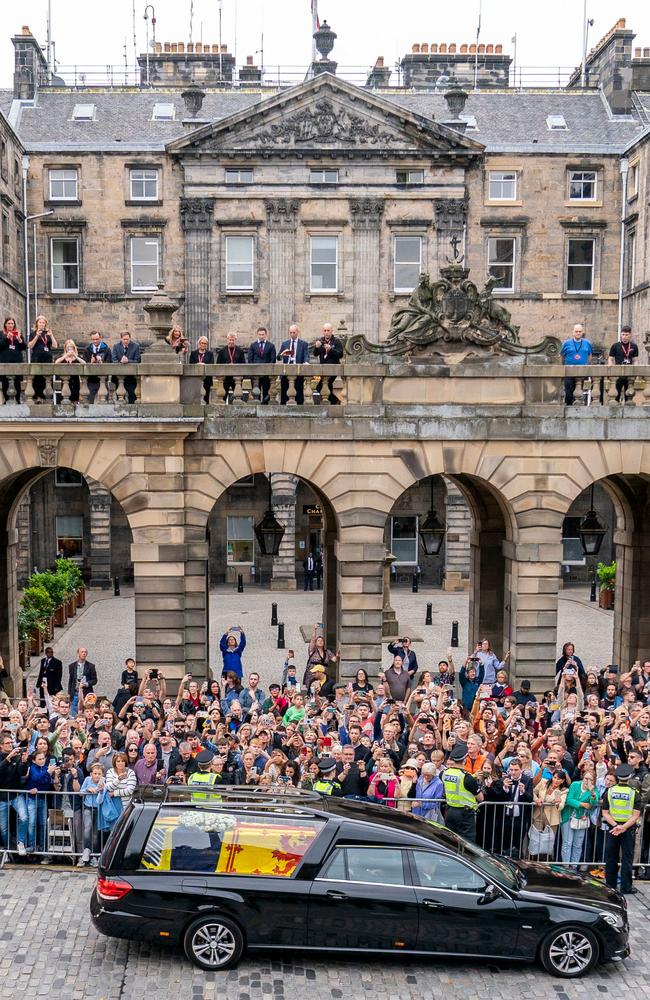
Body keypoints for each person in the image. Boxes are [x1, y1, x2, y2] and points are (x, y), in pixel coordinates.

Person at [601, 762, 641, 895]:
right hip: (627, 828)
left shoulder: (610, 791)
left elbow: (605, 813)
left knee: (611, 858)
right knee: (626, 859)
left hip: (613, 828)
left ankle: (610, 885)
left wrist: (616, 826)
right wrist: (623, 827)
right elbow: (636, 815)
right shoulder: (634, 793)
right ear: (629, 777)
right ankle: (626, 887)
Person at [441, 743, 482, 841]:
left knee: (451, 840)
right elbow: (480, 798)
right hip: (465, 814)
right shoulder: (466, 777)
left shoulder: (444, 773)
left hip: (449, 811)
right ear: (464, 760)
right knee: (468, 841)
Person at [560, 322, 593, 406]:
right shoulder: (566, 343)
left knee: (580, 392)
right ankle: (568, 407)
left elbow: (590, 355)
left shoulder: (587, 343)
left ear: (582, 332)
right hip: (569, 371)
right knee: (569, 391)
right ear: (573, 332)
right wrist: (564, 366)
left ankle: (578, 409)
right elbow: (562, 356)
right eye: (576, 331)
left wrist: (587, 365)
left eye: (580, 331)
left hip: (582, 371)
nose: (578, 333)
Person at [312, 322, 343, 403]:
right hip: (324, 369)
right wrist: (316, 347)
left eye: (328, 330)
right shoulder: (321, 341)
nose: (326, 332)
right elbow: (315, 354)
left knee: (320, 386)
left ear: (331, 331)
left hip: (333, 369)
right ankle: (334, 403)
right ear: (323, 331)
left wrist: (331, 350)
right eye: (325, 330)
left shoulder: (336, 341)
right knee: (327, 386)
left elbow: (340, 354)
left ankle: (335, 401)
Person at [28, 315, 57, 402]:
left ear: (45, 324)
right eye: (40, 322)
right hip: (37, 358)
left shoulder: (47, 334)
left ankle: (47, 397)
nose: (42, 324)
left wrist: (51, 335)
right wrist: (37, 336)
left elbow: (55, 346)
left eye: (43, 322)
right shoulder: (33, 333)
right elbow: (30, 346)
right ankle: (38, 397)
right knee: (37, 378)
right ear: (37, 324)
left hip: (47, 358)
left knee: (47, 377)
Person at [279, 324, 309, 405]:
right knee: (284, 390)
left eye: (294, 332)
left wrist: (306, 362)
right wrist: (282, 355)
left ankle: (299, 406)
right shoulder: (285, 343)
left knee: (299, 390)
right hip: (286, 369)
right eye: (291, 333)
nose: (292, 334)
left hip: (298, 369)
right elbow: (278, 357)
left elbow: (306, 355)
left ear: (297, 332)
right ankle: (283, 406)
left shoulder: (303, 344)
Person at [607, 325, 638, 403]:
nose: (624, 336)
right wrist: (611, 369)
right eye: (623, 334)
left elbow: (635, 360)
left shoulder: (634, 346)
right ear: (621, 334)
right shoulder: (615, 346)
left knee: (629, 398)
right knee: (615, 397)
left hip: (629, 375)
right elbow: (610, 359)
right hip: (618, 375)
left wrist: (636, 372)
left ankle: (628, 413)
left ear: (630, 335)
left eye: (626, 335)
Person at [0, 316, 26, 403]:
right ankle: (7, 400)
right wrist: (7, 337)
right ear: (5, 325)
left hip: (17, 361)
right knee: (5, 381)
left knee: (17, 382)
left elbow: (23, 347)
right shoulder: (1, 334)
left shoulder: (18, 334)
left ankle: (18, 399)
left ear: (14, 325)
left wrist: (19, 339)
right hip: (5, 361)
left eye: (12, 323)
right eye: (9, 323)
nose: (10, 325)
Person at [247, 325, 276, 403]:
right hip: (255, 374)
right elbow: (250, 359)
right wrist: (254, 370)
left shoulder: (271, 346)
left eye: (263, 334)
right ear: (257, 335)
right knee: (256, 394)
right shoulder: (253, 346)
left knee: (266, 393)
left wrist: (267, 370)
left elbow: (273, 359)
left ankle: (265, 409)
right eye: (260, 334)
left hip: (266, 374)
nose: (261, 336)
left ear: (266, 335)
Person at [82, 331, 112, 402]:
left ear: (100, 338)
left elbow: (109, 363)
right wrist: (90, 362)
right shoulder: (87, 349)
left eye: (97, 339)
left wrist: (101, 361)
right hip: (91, 379)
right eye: (93, 339)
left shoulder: (106, 349)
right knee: (89, 401)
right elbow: (84, 363)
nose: (95, 341)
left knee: (104, 401)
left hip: (103, 378)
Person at [215, 332, 246, 401]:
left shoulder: (240, 351)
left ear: (235, 340)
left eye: (233, 340)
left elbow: (243, 364)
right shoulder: (222, 351)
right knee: (223, 397)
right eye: (230, 340)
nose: (231, 341)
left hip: (236, 378)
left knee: (238, 397)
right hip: (225, 378)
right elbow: (218, 365)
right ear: (227, 340)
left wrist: (242, 377)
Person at [111, 331, 141, 403]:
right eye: (124, 339)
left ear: (130, 338)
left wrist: (128, 361)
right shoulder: (116, 346)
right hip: (119, 376)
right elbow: (113, 360)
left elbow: (137, 360)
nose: (125, 341)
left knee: (132, 394)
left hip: (131, 376)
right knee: (120, 396)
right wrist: (121, 361)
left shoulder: (136, 346)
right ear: (121, 338)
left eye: (127, 339)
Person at [54, 338, 83, 403]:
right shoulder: (61, 356)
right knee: (63, 397)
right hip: (64, 379)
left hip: (74, 380)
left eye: (71, 347)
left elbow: (84, 363)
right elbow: (56, 362)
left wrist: (75, 356)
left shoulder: (76, 356)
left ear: (74, 348)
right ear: (65, 348)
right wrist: (65, 356)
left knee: (74, 398)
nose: (70, 349)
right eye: (68, 347)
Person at [188, 336, 215, 403]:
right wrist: (197, 364)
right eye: (202, 343)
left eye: (205, 343)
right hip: (195, 379)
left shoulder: (210, 354)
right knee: (195, 397)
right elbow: (190, 365)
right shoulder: (193, 353)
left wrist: (204, 364)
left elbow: (212, 364)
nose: (203, 345)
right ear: (198, 343)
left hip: (207, 379)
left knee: (206, 398)